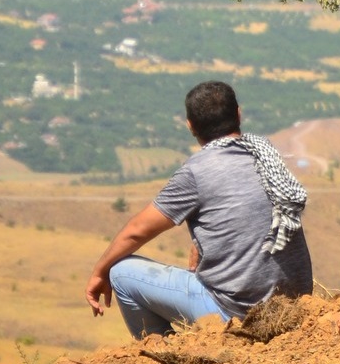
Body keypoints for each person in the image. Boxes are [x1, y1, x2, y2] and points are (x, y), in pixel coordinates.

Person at [85, 80, 313, 337]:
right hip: (294, 305)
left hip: (237, 313)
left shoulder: (196, 172)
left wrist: (98, 272)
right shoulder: (265, 153)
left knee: (121, 273)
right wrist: (201, 245)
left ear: (190, 126)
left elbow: (137, 231)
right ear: (238, 113)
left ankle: (163, 356)